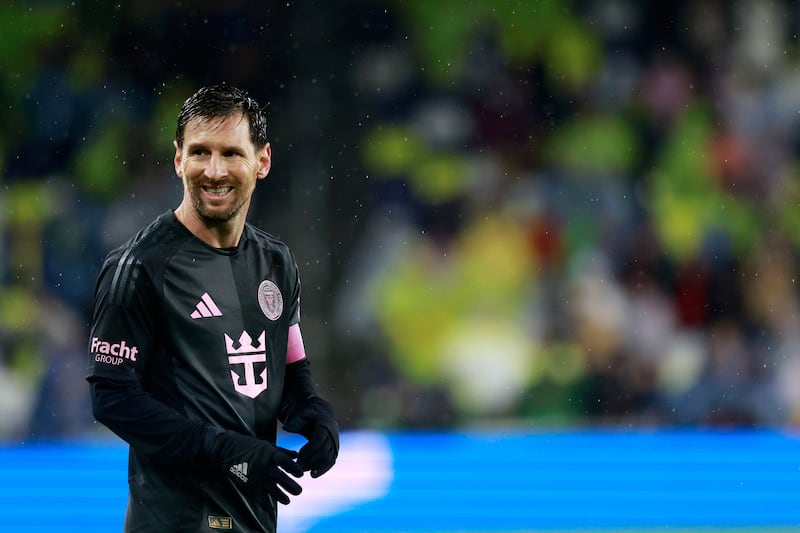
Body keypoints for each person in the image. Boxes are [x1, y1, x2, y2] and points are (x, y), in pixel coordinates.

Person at [86, 85, 339, 532]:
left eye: (231, 153)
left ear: (262, 161)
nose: (214, 170)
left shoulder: (276, 263)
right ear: (178, 159)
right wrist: (225, 452)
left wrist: (315, 414)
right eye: (200, 152)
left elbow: (288, 369)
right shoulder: (140, 266)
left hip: (254, 518)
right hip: (175, 521)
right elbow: (113, 399)